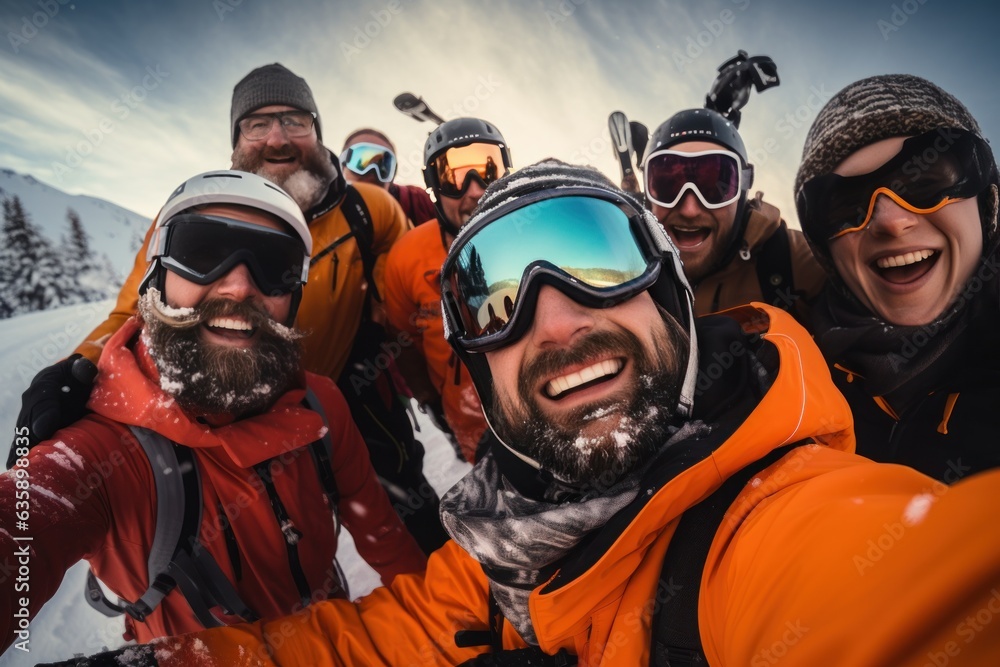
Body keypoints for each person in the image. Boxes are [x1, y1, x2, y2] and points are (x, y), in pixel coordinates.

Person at [59, 161, 1000, 667]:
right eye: (496, 294)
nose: (555, 316)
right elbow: (380, 639)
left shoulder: (772, 515)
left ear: (672, 296)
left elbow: (907, 594)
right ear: (473, 367)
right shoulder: (505, 537)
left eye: (595, 257)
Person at [14, 63, 450, 554]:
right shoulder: (194, 214)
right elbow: (133, 311)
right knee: (260, 549)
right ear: (236, 142)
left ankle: (450, 609)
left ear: (318, 132)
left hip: (344, 389)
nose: (276, 138)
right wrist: (76, 370)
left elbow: (400, 286)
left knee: (402, 512)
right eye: (256, 124)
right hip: (228, 406)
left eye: (295, 121)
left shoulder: (369, 209)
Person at [0, 171, 426, 653]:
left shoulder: (321, 405)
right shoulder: (98, 447)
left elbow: (386, 539)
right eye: (201, 253)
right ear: (156, 278)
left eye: (274, 264)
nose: (241, 286)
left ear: (295, 297)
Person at [794, 74, 1000, 482]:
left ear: (986, 203)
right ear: (827, 251)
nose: (891, 221)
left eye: (924, 182)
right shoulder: (789, 379)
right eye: (847, 205)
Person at [383, 117, 512, 463]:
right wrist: (430, 400)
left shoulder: (542, 228)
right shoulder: (406, 257)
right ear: (434, 190)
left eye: (488, 169)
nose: (474, 189)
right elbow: (405, 342)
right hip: (473, 423)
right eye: (452, 177)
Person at [643, 107, 825, 320]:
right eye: (668, 184)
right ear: (647, 193)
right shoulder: (630, 263)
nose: (690, 210)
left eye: (714, 186)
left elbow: (856, 284)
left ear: (742, 190)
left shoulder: (793, 259)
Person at [340, 127, 437, 225]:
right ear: (342, 166)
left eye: (384, 166)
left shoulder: (416, 201)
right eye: (360, 162)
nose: (372, 173)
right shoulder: (329, 213)